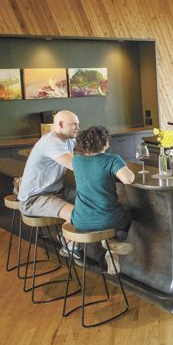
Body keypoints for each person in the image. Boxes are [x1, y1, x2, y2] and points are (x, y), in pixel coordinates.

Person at [71, 126, 136, 274]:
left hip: (80, 220)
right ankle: (115, 243)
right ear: (105, 142)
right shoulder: (112, 159)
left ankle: (111, 245)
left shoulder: (76, 161)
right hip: (108, 220)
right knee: (129, 214)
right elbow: (128, 179)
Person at [18, 110, 79, 228]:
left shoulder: (69, 140)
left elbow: (88, 149)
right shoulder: (51, 141)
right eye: (74, 124)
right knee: (79, 215)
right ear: (61, 125)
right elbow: (76, 166)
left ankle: (70, 241)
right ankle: (69, 246)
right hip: (34, 199)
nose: (77, 127)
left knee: (93, 202)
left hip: (57, 192)